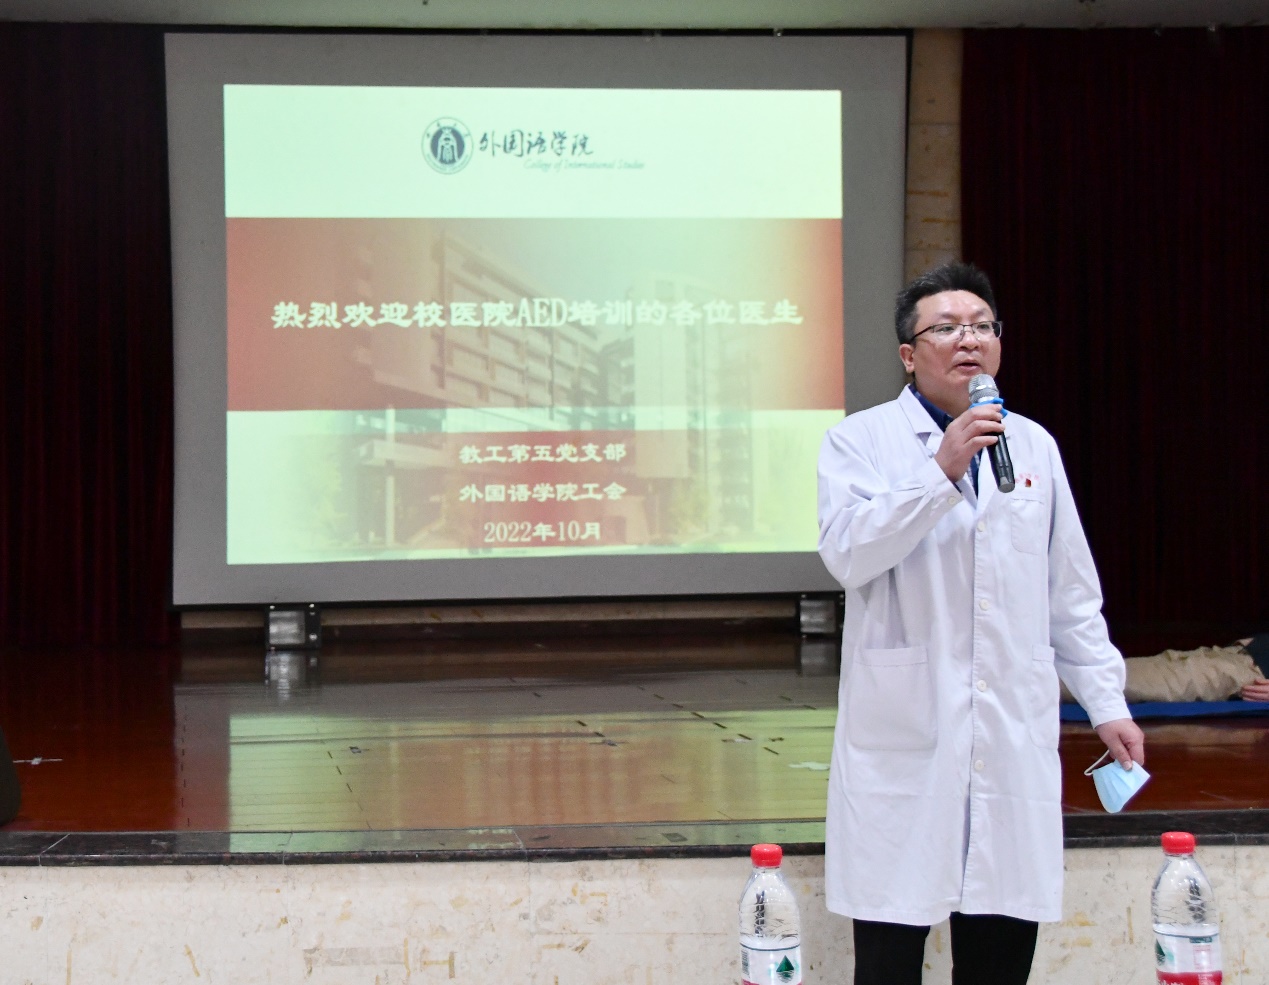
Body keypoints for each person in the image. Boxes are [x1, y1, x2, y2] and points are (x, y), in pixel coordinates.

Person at [816, 262, 1145, 985]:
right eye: (947, 328)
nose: (968, 339)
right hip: (907, 732)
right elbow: (847, 553)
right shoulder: (859, 441)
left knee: (1000, 948)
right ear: (908, 354)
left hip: (1008, 729)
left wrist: (1107, 703)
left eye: (982, 326)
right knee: (889, 953)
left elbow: (1069, 592)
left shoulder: (1032, 445)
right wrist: (939, 470)